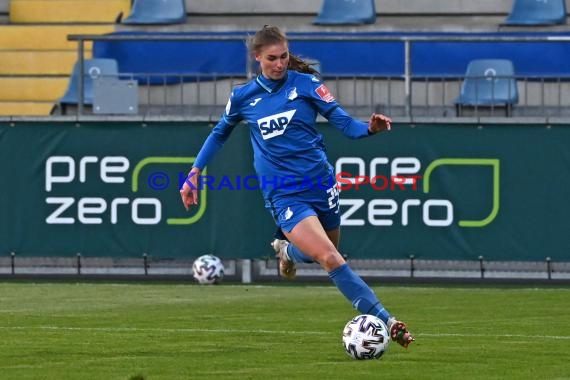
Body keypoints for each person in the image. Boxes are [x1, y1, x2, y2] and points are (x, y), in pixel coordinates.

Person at [180, 25, 414, 348]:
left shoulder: (307, 85)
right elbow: (219, 133)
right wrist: (194, 172)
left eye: (284, 57)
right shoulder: (243, 97)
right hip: (283, 192)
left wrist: (369, 129)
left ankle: (287, 250)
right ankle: (387, 320)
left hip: (321, 183)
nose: (279, 64)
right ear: (257, 58)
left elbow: (344, 123)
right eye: (272, 58)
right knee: (331, 258)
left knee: (324, 253)